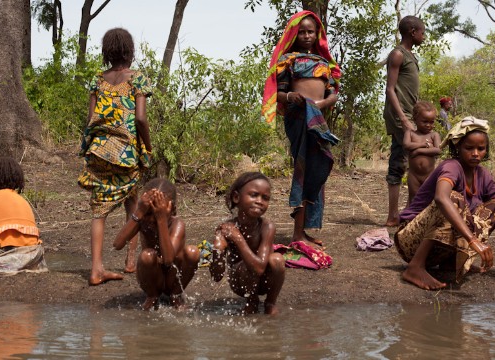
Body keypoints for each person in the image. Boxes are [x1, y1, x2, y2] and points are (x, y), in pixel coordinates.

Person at [394, 117, 495, 290]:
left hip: (438, 250)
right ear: (457, 148)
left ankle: (451, 260)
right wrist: (472, 240)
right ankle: (415, 267)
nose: (476, 153)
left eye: (481, 148)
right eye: (469, 148)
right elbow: (441, 198)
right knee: (452, 199)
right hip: (411, 241)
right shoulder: (452, 166)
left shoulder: (483, 174)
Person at [78, 28, 153, 285]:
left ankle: (103, 267)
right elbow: (141, 119)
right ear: (129, 51)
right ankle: (125, 262)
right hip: (126, 152)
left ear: (107, 52)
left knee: (105, 207)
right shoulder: (137, 79)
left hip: (99, 150)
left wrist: (87, 147)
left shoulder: (98, 80)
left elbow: (90, 120)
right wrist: (148, 148)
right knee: (130, 204)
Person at [261, 10, 341, 247]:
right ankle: (297, 234)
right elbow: (279, 94)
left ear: (318, 35)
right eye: (302, 31)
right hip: (298, 118)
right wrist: (292, 96)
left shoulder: (325, 64)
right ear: (294, 34)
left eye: (311, 32)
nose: (306, 35)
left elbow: (333, 94)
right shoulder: (288, 60)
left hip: (318, 119)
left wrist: (324, 103)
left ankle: (303, 231)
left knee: (317, 171)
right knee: (302, 169)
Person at [113, 178, 200, 310]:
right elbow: (118, 244)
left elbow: (168, 260)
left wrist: (161, 221)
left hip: (173, 277)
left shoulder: (177, 224)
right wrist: (139, 213)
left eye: (158, 214)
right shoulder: (142, 220)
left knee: (193, 252)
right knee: (147, 255)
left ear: (173, 211)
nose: (152, 219)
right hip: (151, 277)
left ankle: (175, 296)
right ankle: (152, 296)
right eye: (149, 213)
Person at [209, 172, 285, 315]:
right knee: (246, 266)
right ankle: (252, 301)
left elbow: (260, 268)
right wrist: (217, 250)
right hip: (240, 283)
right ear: (236, 197)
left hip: (264, 280)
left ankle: (270, 302)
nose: (259, 201)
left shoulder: (266, 227)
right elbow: (216, 277)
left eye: (265, 198)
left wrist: (238, 239)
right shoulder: (227, 228)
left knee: (277, 259)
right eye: (254, 195)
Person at [382, 16, 425, 227]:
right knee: (418, 160)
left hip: (409, 115)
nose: (424, 37)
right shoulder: (398, 54)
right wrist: (404, 120)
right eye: (422, 33)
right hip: (401, 116)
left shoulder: (410, 56)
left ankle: (394, 216)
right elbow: (390, 89)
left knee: (399, 161)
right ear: (412, 31)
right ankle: (412, 214)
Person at [403, 101, 441, 206]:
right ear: (415, 119)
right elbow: (406, 145)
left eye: (432, 122)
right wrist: (424, 144)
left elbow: (438, 150)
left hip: (429, 175)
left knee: (429, 198)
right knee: (413, 197)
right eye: (425, 121)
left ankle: (426, 220)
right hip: (413, 175)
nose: (428, 125)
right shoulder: (410, 133)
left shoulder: (434, 135)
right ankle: (410, 219)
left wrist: (419, 150)